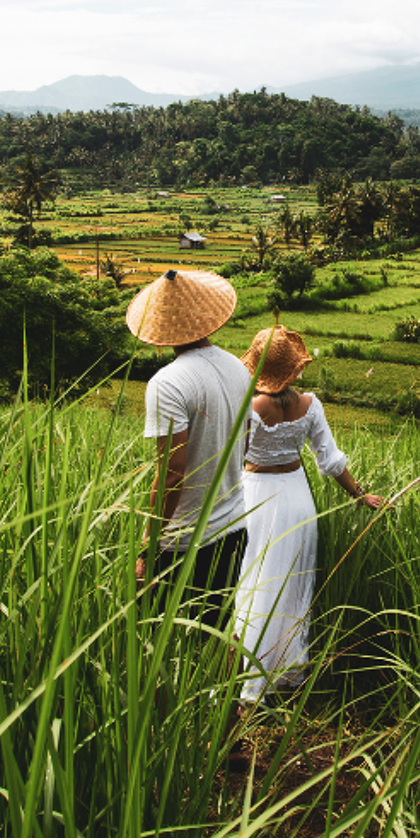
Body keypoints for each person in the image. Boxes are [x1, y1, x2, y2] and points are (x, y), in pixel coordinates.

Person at [232, 325, 385, 705]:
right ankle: (288, 670)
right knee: (291, 585)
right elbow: (330, 461)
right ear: (295, 370)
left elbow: (232, 461)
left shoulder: (249, 407)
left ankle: (252, 676)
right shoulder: (311, 405)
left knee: (254, 586)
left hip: (257, 500)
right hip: (297, 501)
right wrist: (360, 495)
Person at [127, 269, 252, 632]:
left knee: (160, 642)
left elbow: (173, 471)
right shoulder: (239, 367)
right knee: (221, 635)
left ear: (159, 331)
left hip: (183, 542)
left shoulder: (167, 382)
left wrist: (149, 547)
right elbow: (244, 441)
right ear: (207, 318)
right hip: (235, 527)